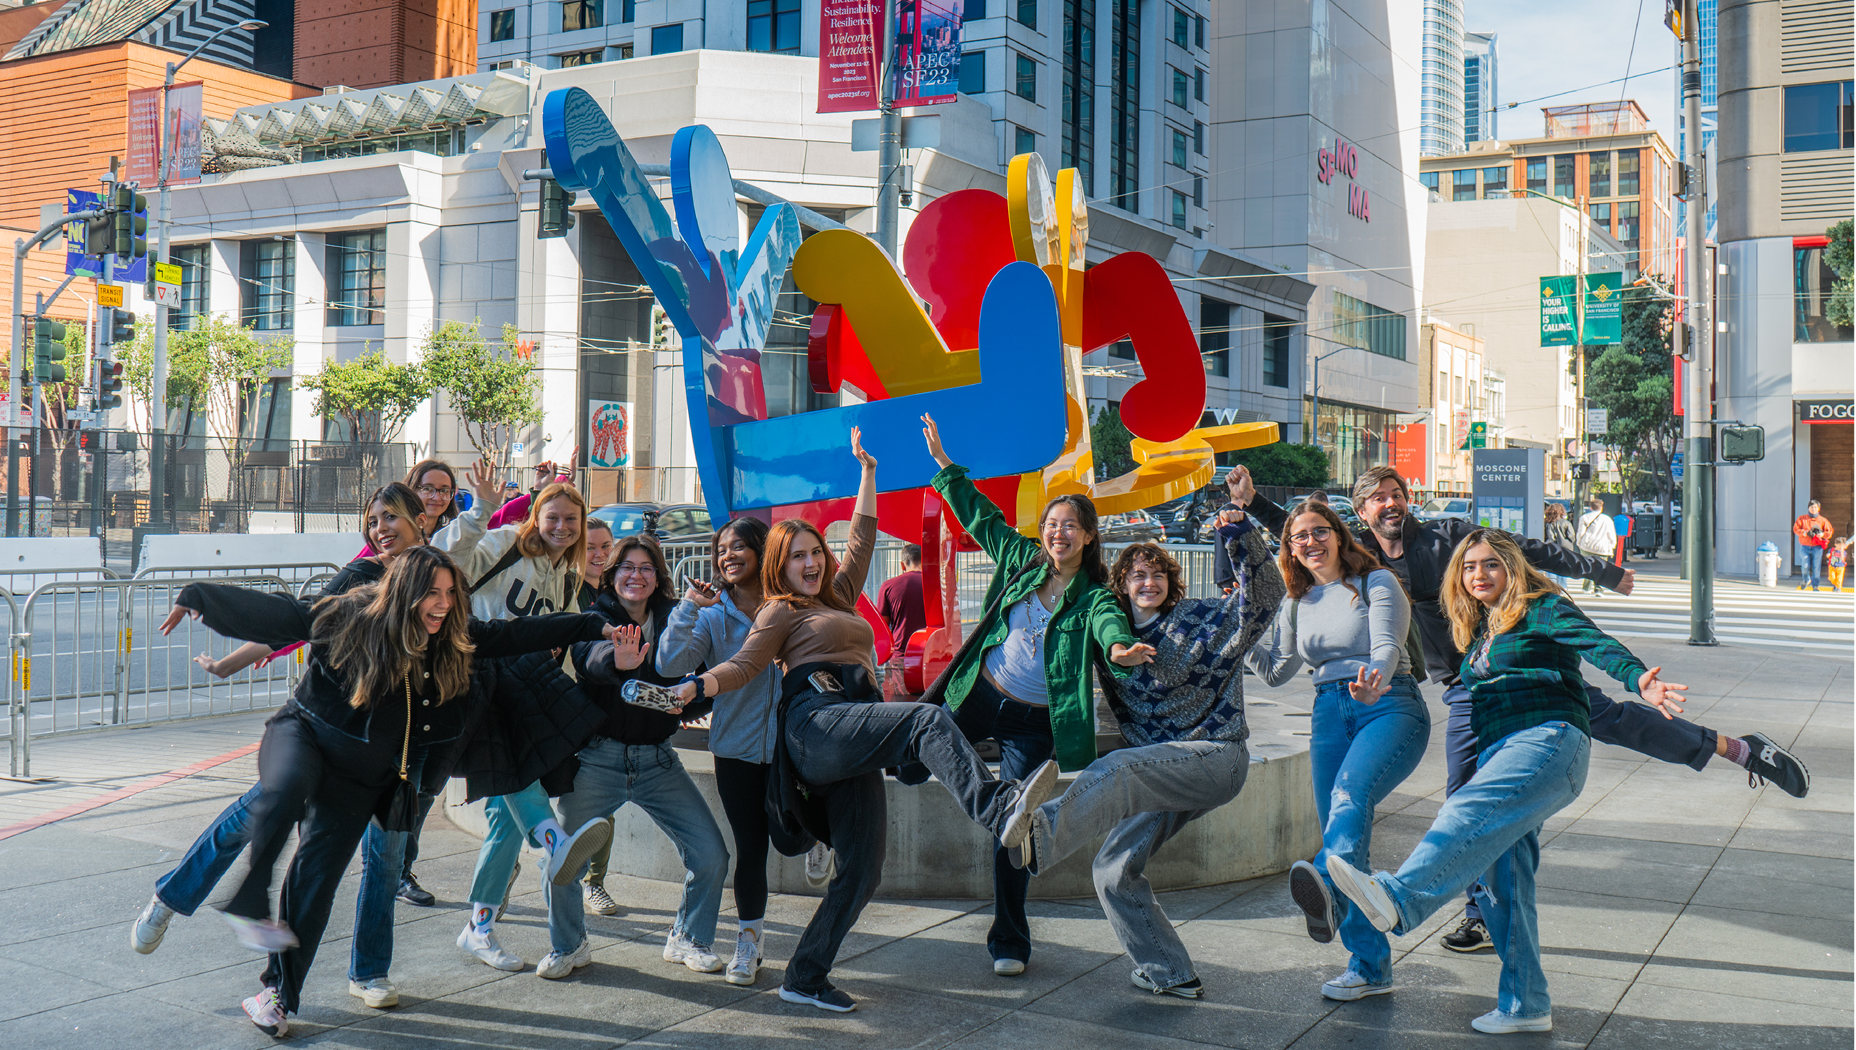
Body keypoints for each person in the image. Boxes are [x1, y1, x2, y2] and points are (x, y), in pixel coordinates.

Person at [1238, 465, 1810, 955]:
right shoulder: (1366, 560)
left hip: (1517, 665)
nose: (1388, 504)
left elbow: (1531, 551)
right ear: (1361, 512)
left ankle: (1738, 748)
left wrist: (1604, 571)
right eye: (1376, 498)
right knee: (1465, 798)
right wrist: (1254, 504)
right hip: (1466, 688)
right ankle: (1482, 913)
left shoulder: (1448, 538)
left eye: (1396, 493)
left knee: (1613, 720)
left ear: (1407, 501)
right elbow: (1308, 537)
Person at [669, 426, 1138, 1012]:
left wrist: (867, 473)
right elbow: (742, 666)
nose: (811, 564)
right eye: (797, 558)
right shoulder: (779, 612)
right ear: (778, 569)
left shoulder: (837, 595)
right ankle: (1000, 810)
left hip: (858, 721)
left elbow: (861, 539)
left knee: (864, 870)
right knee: (924, 721)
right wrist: (694, 686)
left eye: (816, 552)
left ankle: (805, 976)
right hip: (814, 722)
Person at [156, 545, 624, 1036]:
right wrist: (200, 596)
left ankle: (275, 995)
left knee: (315, 880)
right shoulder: (352, 615)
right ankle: (249, 900)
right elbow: (284, 615)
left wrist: (591, 625)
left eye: (450, 594)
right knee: (284, 790)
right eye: (432, 593)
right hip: (308, 735)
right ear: (405, 592)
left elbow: (515, 634)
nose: (442, 604)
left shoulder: (451, 637)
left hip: (362, 777)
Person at [1323, 529, 1691, 1035]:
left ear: (1513, 568)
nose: (1479, 575)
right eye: (1470, 566)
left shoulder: (1541, 608)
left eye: (1491, 564)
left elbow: (1595, 643)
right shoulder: (1477, 633)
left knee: (1463, 810)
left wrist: (1637, 678)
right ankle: (1526, 1005)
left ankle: (1402, 898)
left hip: (1548, 739)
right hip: (1505, 753)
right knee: (1503, 884)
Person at [131, 484, 437, 1003]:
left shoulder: (440, 579)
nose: (380, 529)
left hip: (384, 752)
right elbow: (296, 619)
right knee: (254, 815)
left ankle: (368, 971)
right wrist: (229, 658)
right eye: (374, 519)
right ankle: (171, 896)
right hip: (321, 732)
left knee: (384, 857)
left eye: (392, 518)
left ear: (423, 523)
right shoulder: (360, 577)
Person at [1011, 496, 1283, 998]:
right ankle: (1169, 972)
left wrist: (1238, 530)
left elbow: (1265, 595)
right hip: (1161, 772)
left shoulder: (1203, 619)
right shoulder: (1111, 643)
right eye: (1137, 576)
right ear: (1122, 586)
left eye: (1157, 575)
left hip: (1216, 758)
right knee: (1113, 869)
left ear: (1171, 583)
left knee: (1121, 769)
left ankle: (1040, 836)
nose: (1148, 583)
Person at [918, 412, 1152, 977]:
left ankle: (1009, 942)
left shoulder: (1095, 594)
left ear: (1089, 535)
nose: (1058, 533)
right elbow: (983, 519)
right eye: (1051, 524)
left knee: (1014, 827)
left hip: (1034, 723)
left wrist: (1119, 649)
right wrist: (947, 468)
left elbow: (1107, 624)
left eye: (1070, 525)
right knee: (906, 746)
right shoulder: (1022, 562)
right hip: (980, 692)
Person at [1246, 499, 1429, 1002]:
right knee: (1344, 832)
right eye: (1298, 537)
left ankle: (1321, 880)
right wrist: (1239, 637)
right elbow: (1278, 671)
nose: (1309, 542)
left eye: (1318, 531)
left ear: (1339, 535)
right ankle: (1370, 968)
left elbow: (1388, 645)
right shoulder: (1295, 602)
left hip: (1387, 704)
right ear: (1290, 549)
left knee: (1348, 800)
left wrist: (1377, 676)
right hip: (1328, 711)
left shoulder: (1375, 582)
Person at [435, 463, 611, 972]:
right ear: (536, 516)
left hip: (518, 687)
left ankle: (479, 928)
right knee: (519, 774)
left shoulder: (564, 577)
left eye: (571, 521)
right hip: (478, 677)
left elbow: (555, 641)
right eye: (552, 517)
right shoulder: (506, 542)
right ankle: (552, 841)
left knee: (502, 825)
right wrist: (481, 510)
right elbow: (447, 559)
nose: (561, 527)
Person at [538, 533, 732, 981]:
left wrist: (691, 700)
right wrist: (618, 662)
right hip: (597, 758)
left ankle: (689, 936)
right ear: (613, 573)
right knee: (560, 857)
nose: (636, 576)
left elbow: (702, 678)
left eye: (646, 568)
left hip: (659, 762)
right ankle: (569, 945)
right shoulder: (594, 614)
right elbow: (589, 659)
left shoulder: (676, 617)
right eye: (627, 567)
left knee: (711, 855)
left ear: (657, 576)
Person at [657, 515, 818, 986]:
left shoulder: (792, 604)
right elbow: (671, 663)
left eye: (739, 546)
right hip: (736, 751)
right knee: (752, 849)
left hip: (794, 747)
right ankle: (749, 942)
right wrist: (688, 606)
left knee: (791, 838)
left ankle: (816, 838)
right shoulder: (711, 615)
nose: (728, 555)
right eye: (722, 548)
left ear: (762, 552)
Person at [575, 516, 622, 915]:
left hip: (600, 714)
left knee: (601, 802)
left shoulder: (619, 593)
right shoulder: (563, 590)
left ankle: (595, 882)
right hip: (559, 709)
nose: (599, 555)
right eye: (590, 547)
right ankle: (507, 868)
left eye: (606, 547)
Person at [875, 543, 926, 662]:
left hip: (902, 654)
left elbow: (882, 626)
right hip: (933, 653)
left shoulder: (888, 586)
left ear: (902, 565)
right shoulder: (939, 584)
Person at [1574, 498, 1617, 593]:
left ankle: (1586, 587)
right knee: (1601, 569)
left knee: (1588, 567)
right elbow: (1611, 535)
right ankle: (1598, 589)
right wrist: (1612, 545)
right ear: (1601, 507)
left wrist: (1579, 543)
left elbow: (1580, 532)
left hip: (1587, 546)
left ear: (1591, 507)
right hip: (1602, 548)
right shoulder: (1607, 519)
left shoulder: (1584, 517)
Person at [1792, 499, 1834, 591]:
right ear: (1808, 508)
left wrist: (1822, 534)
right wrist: (1804, 532)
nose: (1813, 509)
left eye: (1815, 507)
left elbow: (1829, 531)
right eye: (1811, 507)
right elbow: (1796, 529)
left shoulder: (1823, 520)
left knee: (1816, 567)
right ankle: (1806, 580)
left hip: (1817, 547)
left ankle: (1815, 585)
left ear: (1818, 508)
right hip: (1805, 546)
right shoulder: (1801, 518)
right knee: (1805, 565)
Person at [1541, 502, 1576, 588]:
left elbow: (1547, 537)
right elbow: (1572, 537)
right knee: (1563, 570)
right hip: (1564, 549)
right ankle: (1563, 588)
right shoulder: (1566, 523)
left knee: (1550, 570)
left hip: (1550, 549)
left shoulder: (1547, 523)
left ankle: (1552, 588)